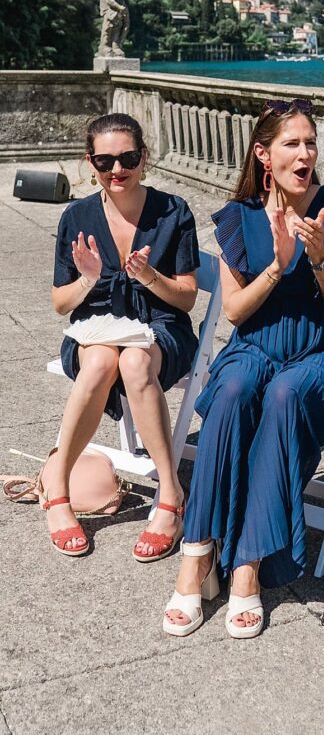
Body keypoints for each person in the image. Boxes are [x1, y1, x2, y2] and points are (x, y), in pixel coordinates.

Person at [163, 98, 324, 639]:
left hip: (321, 352)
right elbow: (233, 311)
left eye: (310, 142)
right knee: (231, 391)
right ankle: (198, 552)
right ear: (264, 153)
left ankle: (248, 566)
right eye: (292, 143)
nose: (305, 153)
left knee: (283, 395)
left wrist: (318, 254)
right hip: (254, 345)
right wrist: (278, 265)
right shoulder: (240, 218)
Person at [48, 113, 200, 560]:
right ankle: (58, 486)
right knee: (99, 360)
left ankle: (170, 494)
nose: (118, 169)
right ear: (90, 162)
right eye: (105, 160)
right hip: (96, 325)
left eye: (128, 157)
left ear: (143, 158)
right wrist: (89, 279)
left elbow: (187, 298)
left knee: (132, 360)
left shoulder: (173, 211)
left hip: (159, 325)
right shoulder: (76, 215)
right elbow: (61, 302)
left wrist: (150, 276)